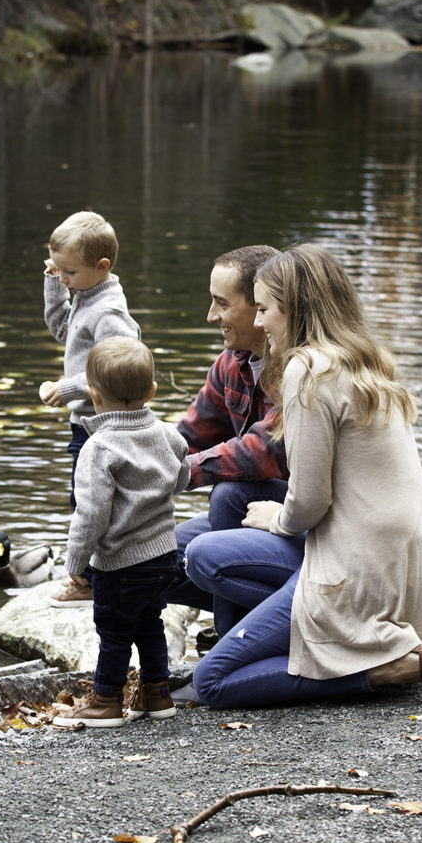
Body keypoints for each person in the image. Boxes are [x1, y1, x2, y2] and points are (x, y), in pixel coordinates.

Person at [190, 244, 422, 709]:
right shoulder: (363, 357)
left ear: (292, 309)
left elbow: (310, 501)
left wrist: (278, 518)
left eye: (264, 310)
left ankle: (381, 669)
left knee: (211, 680)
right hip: (403, 562)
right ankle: (320, 644)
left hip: (355, 566)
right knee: (220, 514)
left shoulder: (306, 370)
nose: (258, 323)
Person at [52, 337, 191, 728]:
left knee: (113, 632)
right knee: (150, 624)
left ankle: (106, 701)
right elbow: (181, 477)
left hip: (120, 563)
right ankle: (156, 693)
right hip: (164, 556)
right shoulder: (168, 435)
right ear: (151, 391)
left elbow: (90, 515)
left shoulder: (98, 448)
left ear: (93, 396)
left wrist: (76, 561)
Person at [165, 245, 297, 639]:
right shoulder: (230, 363)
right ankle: (256, 621)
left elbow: (265, 451)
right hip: (245, 517)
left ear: (260, 306)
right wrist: (134, 464)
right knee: (146, 558)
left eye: (222, 303)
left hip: (299, 517)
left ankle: (232, 636)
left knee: (228, 495)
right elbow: (187, 436)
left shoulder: (301, 368)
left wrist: (181, 474)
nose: (210, 316)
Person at [38, 211, 141, 607]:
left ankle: (87, 582)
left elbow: (121, 369)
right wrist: (54, 283)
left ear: (102, 267)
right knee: (82, 499)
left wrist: (69, 388)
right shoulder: (86, 295)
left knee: (90, 503)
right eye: (58, 270)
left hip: (103, 426)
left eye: (69, 272)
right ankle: (94, 577)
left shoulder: (109, 311)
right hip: (86, 422)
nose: (64, 278)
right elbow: (63, 330)